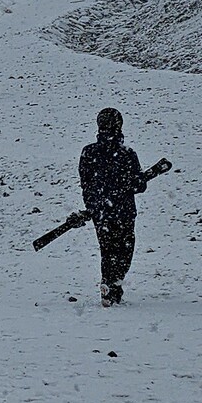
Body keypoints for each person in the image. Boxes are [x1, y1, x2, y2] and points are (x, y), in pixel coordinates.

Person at [79, 108, 152, 307]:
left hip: (100, 212)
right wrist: (133, 182)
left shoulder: (88, 152)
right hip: (124, 211)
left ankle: (108, 283)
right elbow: (139, 186)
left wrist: (93, 205)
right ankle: (114, 283)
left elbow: (86, 184)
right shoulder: (127, 154)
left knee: (107, 250)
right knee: (124, 250)